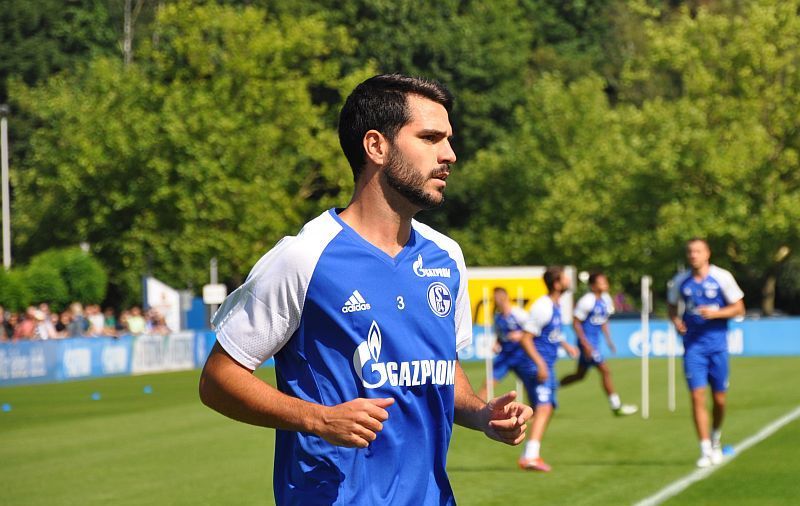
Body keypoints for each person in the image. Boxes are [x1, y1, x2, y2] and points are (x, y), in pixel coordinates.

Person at [199, 74, 532, 505]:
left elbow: (441, 371)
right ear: (376, 146)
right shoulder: (304, 257)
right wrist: (317, 419)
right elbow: (218, 379)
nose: (449, 154)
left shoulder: (446, 258)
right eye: (430, 138)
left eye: (448, 139)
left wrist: (482, 413)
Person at [667, 238, 745, 468]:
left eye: (698, 251)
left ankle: (715, 439)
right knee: (696, 396)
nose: (693, 255)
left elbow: (740, 308)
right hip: (693, 348)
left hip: (718, 347)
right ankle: (704, 449)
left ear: (707, 253)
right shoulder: (680, 281)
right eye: (690, 251)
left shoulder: (722, 277)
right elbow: (672, 306)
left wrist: (717, 313)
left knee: (719, 400)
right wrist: (676, 321)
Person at [516, 266, 578, 472]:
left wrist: (566, 345)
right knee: (544, 408)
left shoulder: (556, 305)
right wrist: (541, 364)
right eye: (565, 278)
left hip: (546, 364)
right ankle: (531, 457)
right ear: (557, 283)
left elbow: (551, 333)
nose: (569, 281)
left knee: (543, 408)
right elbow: (526, 338)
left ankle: (528, 452)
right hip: (537, 365)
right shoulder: (543, 306)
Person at [560, 272, 637, 416]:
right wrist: (586, 345)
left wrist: (609, 340)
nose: (605, 284)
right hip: (588, 344)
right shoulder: (587, 301)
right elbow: (576, 323)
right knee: (605, 370)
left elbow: (603, 320)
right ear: (593, 285)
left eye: (605, 281)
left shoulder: (605, 299)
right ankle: (616, 406)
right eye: (601, 282)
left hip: (594, 343)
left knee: (579, 375)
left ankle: (554, 386)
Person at [476, 287, 531, 402]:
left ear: (505, 297)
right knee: (488, 382)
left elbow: (533, 331)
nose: (496, 300)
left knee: (530, 384)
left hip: (521, 355)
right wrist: (496, 343)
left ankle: (535, 411)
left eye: (498, 297)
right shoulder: (497, 317)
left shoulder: (518, 313)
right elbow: (500, 335)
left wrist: (520, 335)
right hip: (505, 356)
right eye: (495, 298)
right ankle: (477, 409)